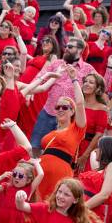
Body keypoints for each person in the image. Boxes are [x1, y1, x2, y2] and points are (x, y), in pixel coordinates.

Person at [30, 38, 95, 156]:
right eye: (66, 46)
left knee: (59, 151)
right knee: (35, 146)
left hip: (69, 117)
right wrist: (30, 91)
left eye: (70, 47)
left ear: (80, 50)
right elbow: (40, 77)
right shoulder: (56, 63)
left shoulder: (88, 69)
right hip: (48, 112)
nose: (66, 49)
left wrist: (110, 69)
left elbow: (100, 86)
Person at [36, 65, 87, 200]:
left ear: (72, 111)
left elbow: (80, 103)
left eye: (65, 107)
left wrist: (74, 79)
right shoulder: (52, 132)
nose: (60, 109)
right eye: (57, 107)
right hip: (40, 172)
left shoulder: (77, 129)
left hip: (60, 174)